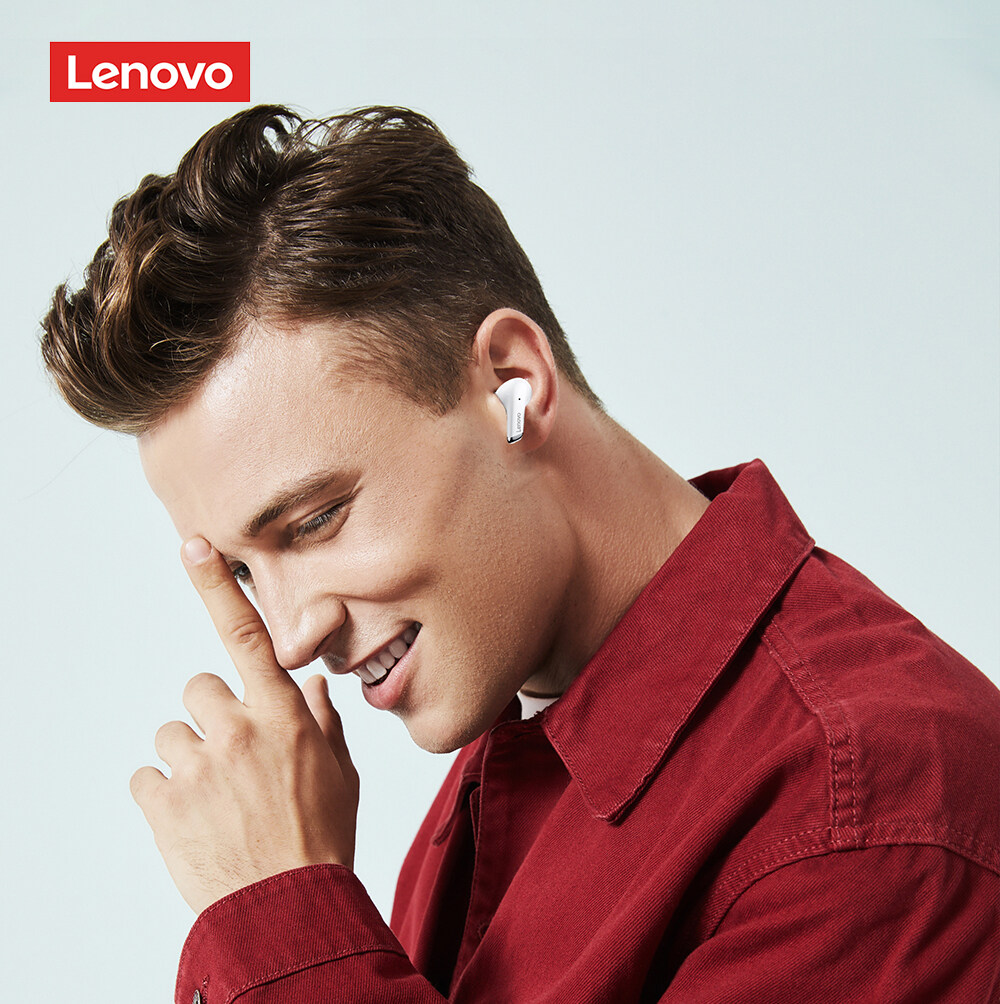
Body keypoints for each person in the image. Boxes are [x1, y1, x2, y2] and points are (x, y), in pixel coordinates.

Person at [40, 105, 999, 1003]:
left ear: (513, 385)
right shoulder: (512, 721)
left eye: (317, 519)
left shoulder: (864, 815)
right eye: (246, 571)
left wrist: (284, 919)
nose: (292, 639)